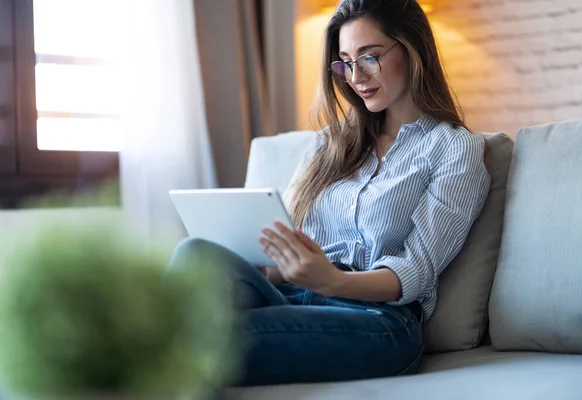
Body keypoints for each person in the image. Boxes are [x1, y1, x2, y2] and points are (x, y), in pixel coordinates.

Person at [169, 0, 490, 387]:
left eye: (370, 58)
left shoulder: (454, 149)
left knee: (201, 340)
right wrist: (266, 256)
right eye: (345, 62)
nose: (356, 77)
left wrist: (330, 280)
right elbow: (278, 251)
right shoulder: (329, 145)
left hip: (378, 322)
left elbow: (417, 271)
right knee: (196, 253)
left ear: (413, 49)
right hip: (291, 299)